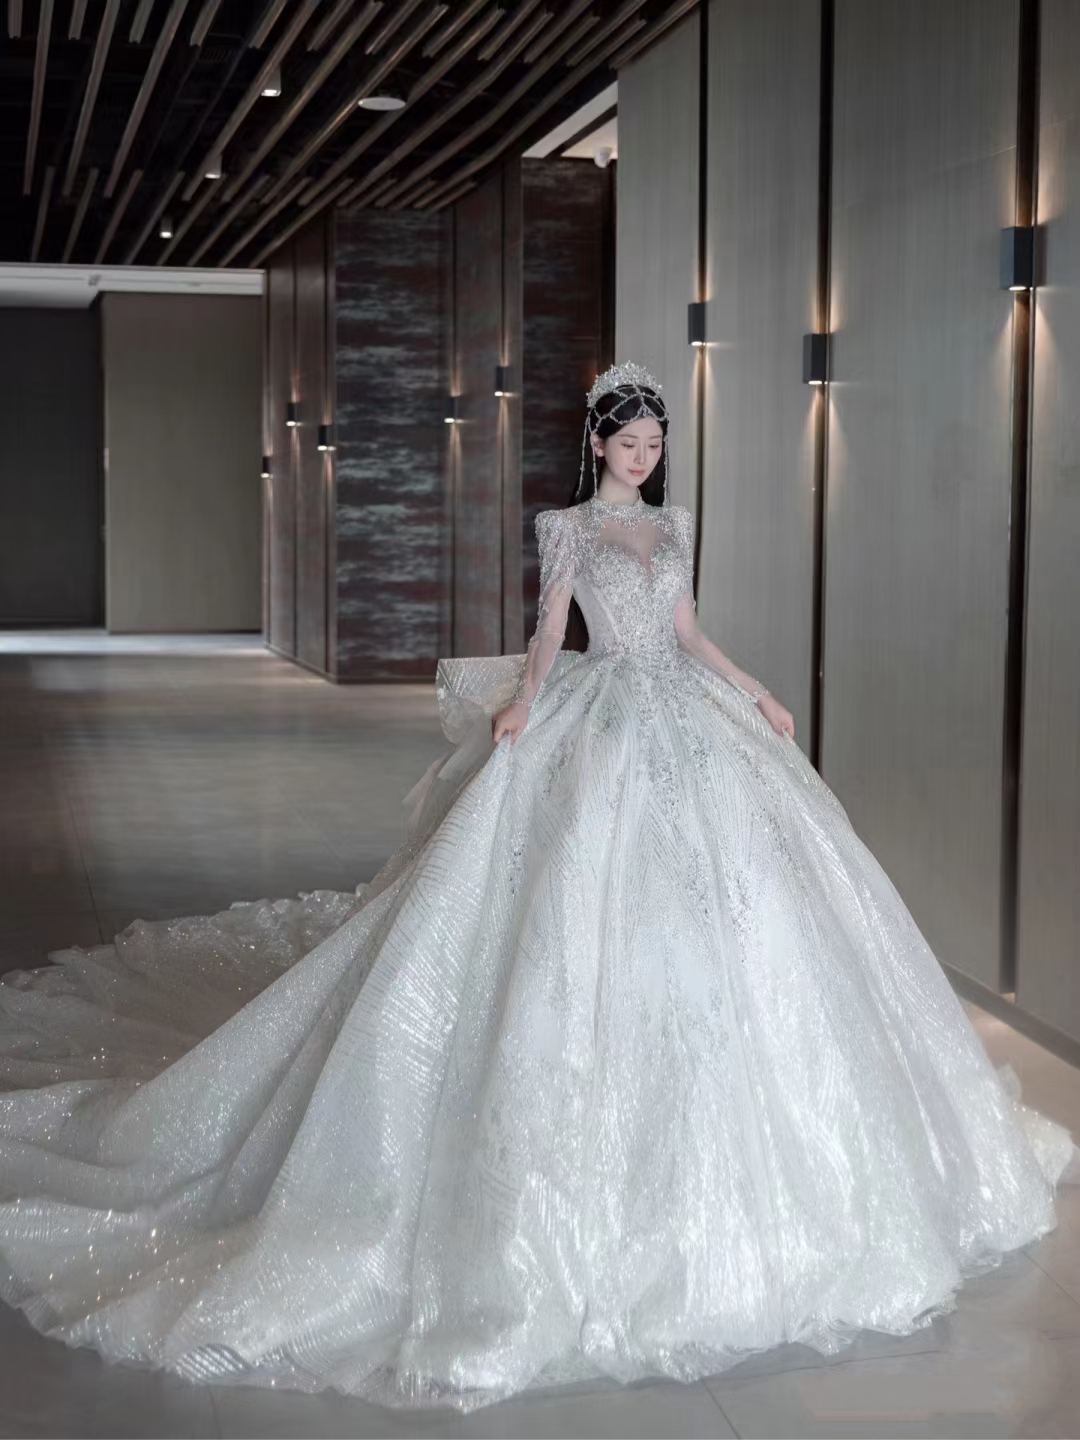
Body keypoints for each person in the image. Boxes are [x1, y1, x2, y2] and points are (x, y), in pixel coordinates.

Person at [0, 362, 1075, 1416]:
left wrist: (756, 692)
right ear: (598, 443)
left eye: (657, 444)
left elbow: (687, 631)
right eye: (630, 442)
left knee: (739, 899)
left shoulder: (674, 526)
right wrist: (524, 701)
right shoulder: (566, 529)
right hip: (600, 713)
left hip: (685, 713)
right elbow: (556, 628)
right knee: (569, 893)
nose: (645, 458)